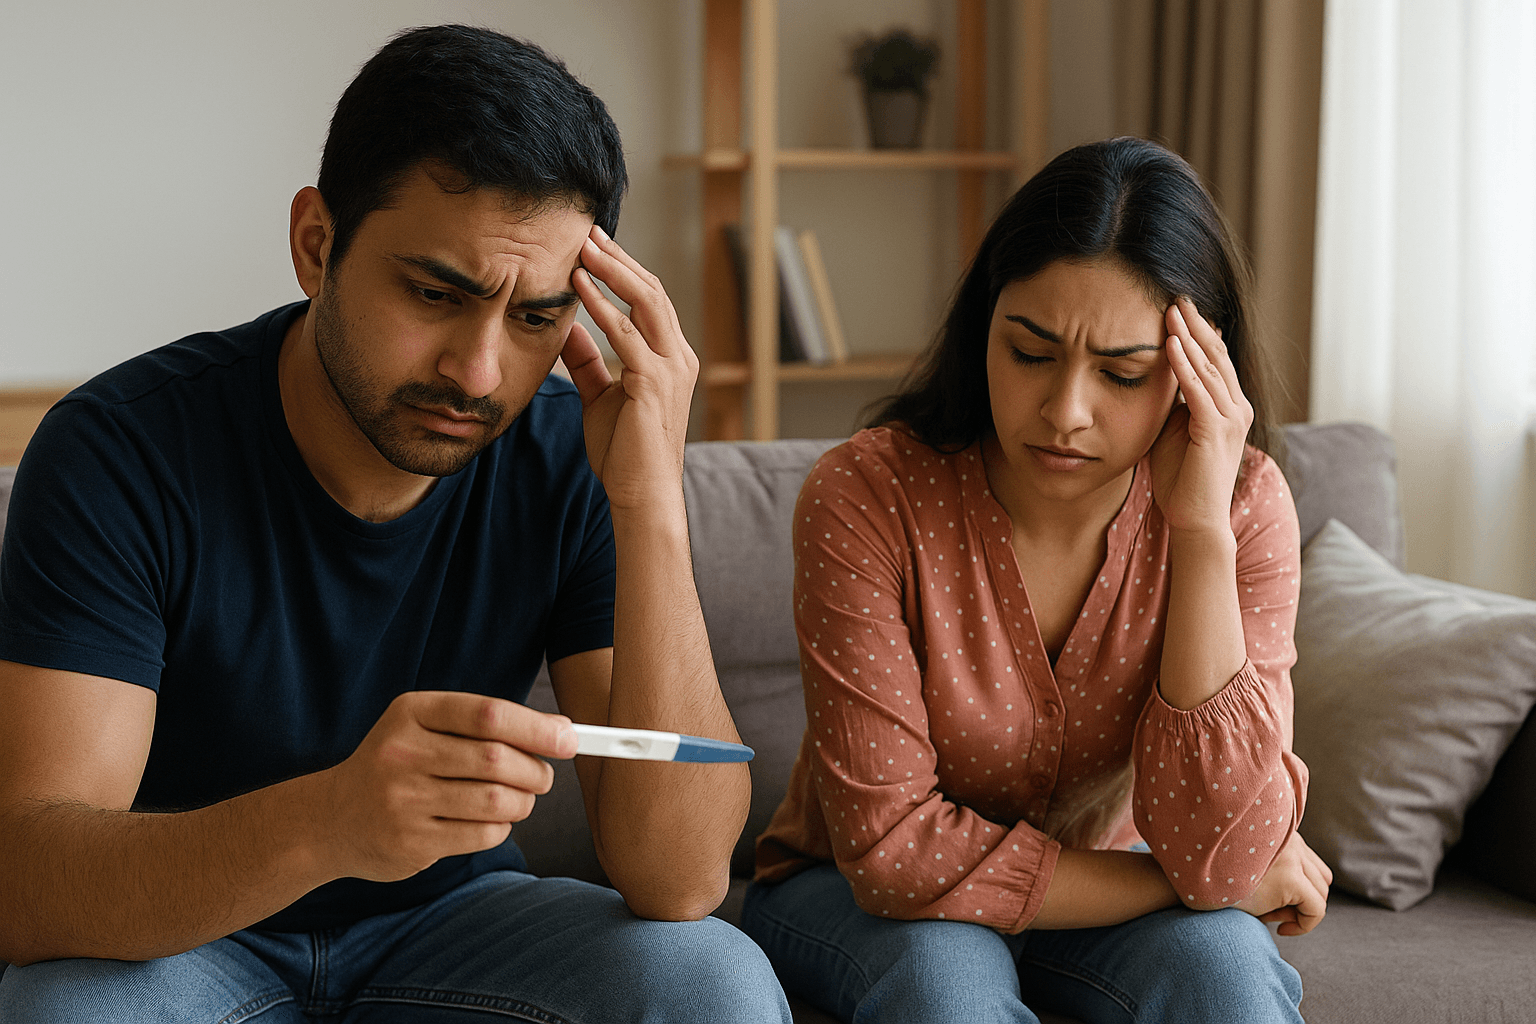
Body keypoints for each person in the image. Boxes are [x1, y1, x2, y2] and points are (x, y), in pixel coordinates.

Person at [0, 24, 790, 1024]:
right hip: (186, 937)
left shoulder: (572, 453)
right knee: (67, 1007)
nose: (478, 369)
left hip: (460, 923)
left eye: (537, 317)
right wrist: (329, 822)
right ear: (315, 245)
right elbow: (27, 883)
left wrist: (651, 507)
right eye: (434, 293)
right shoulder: (121, 452)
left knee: (712, 978)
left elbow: (678, 882)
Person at [740, 137, 1332, 1023]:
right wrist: (1179, 888)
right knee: (947, 987)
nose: (1065, 413)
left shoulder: (1242, 506)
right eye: (1029, 353)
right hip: (850, 896)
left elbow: (1231, 848)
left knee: (1225, 974)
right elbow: (894, 852)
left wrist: (1201, 532)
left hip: (1106, 899)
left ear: (1194, 377)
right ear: (985, 326)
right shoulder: (867, 494)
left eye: (1124, 373)